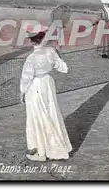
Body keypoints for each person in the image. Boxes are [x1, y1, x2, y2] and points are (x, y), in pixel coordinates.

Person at [20, 25, 72, 161]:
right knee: (51, 113)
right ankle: (55, 148)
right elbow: (63, 68)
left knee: (36, 115)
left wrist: (22, 93)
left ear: (31, 41)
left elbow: (26, 78)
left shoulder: (31, 58)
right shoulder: (50, 51)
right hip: (48, 84)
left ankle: (39, 150)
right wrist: (58, 54)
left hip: (35, 86)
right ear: (43, 38)